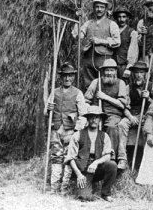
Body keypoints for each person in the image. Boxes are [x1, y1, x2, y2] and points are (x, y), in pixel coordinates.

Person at [44, 63, 87, 195]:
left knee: (69, 159)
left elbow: (83, 115)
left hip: (70, 131)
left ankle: (64, 188)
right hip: (56, 131)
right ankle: (54, 188)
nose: (67, 78)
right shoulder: (54, 91)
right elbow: (46, 112)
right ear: (60, 77)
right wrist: (48, 108)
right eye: (65, 76)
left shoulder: (78, 93)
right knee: (56, 158)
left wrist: (77, 131)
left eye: (70, 76)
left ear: (73, 77)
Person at [65, 105, 117, 202]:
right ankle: (86, 188)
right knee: (85, 198)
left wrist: (96, 162)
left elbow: (108, 156)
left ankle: (106, 193)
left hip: (97, 168)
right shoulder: (78, 135)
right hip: (83, 170)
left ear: (100, 119)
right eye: (91, 117)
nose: (94, 119)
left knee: (112, 165)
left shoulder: (104, 136)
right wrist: (79, 174)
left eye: (96, 117)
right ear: (88, 119)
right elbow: (71, 158)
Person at [84, 59, 129, 168]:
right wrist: (90, 109)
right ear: (103, 71)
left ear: (116, 71)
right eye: (107, 70)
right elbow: (86, 100)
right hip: (97, 113)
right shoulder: (96, 82)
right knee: (90, 127)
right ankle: (89, 157)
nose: (109, 72)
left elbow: (122, 105)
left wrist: (105, 97)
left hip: (113, 114)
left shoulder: (121, 83)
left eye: (112, 70)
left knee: (111, 128)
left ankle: (111, 158)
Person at [117, 61, 153, 170]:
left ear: (145, 74)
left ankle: (148, 161)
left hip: (148, 116)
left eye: (141, 72)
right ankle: (122, 159)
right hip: (132, 115)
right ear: (133, 73)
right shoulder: (128, 87)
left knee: (146, 130)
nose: (139, 75)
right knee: (122, 124)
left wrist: (149, 98)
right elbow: (124, 106)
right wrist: (130, 117)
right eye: (136, 72)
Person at [76, 0, 120, 90]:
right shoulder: (88, 23)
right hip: (88, 59)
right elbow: (78, 35)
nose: (99, 9)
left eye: (102, 7)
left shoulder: (112, 24)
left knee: (104, 85)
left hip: (104, 59)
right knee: (88, 85)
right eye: (97, 7)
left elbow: (117, 41)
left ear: (105, 9)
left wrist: (101, 41)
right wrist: (78, 22)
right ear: (94, 8)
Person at [113, 6, 139, 81]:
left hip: (124, 66)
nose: (121, 19)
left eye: (124, 17)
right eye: (119, 17)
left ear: (127, 18)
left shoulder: (132, 32)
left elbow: (133, 52)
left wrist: (129, 68)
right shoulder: (113, 31)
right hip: (113, 65)